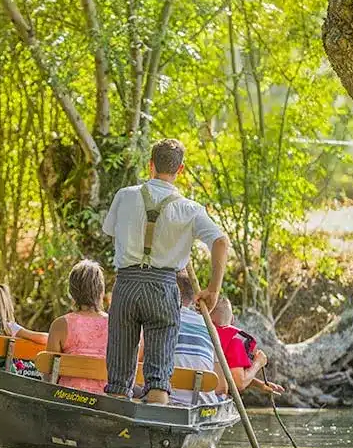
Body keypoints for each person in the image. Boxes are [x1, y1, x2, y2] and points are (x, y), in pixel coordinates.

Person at [102, 138, 229, 404]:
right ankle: (154, 434)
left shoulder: (124, 196)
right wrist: (213, 290)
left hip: (126, 284)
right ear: (180, 169)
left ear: (151, 165)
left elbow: (112, 233)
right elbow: (220, 242)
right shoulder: (190, 209)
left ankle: (113, 430)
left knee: (118, 379)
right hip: (162, 287)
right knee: (158, 379)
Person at [47, 260, 109, 394]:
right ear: (101, 290)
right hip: (105, 398)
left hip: (66, 397)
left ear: (72, 291)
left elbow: (49, 374)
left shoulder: (60, 324)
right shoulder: (115, 325)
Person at [171, 272, 228, 405]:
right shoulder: (209, 326)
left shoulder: (158, 320)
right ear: (192, 298)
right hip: (202, 405)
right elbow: (222, 387)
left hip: (166, 402)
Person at [211, 297, 285, 396]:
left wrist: (260, 385)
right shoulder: (234, 341)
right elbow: (239, 383)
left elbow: (230, 374)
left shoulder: (200, 335)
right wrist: (258, 363)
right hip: (213, 397)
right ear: (232, 319)